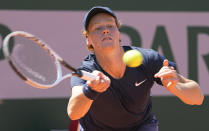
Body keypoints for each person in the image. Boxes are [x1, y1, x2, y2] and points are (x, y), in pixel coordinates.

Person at [67, 6, 204, 131]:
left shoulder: (148, 59)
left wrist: (175, 87)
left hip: (141, 126)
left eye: (110, 25)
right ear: (88, 39)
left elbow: (198, 98)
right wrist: (90, 90)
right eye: (97, 28)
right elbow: (73, 112)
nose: (106, 30)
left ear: (119, 34)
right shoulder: (86, 71)